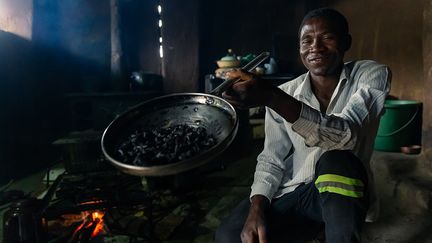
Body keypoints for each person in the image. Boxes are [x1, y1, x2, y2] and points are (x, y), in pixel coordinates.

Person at [214, 7, 391, 243]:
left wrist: (271, 97)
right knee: (228, 236)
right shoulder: (288, 91)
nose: (315, 47)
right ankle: (314, 231)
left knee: (337, 159)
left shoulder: (371, 74)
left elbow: (345, 136)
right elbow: (272, 158)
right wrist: (256, 208)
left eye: (327, 38)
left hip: (342, 193)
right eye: (306, 40)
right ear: (299, 48)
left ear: (346, 42)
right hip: (298, 192)